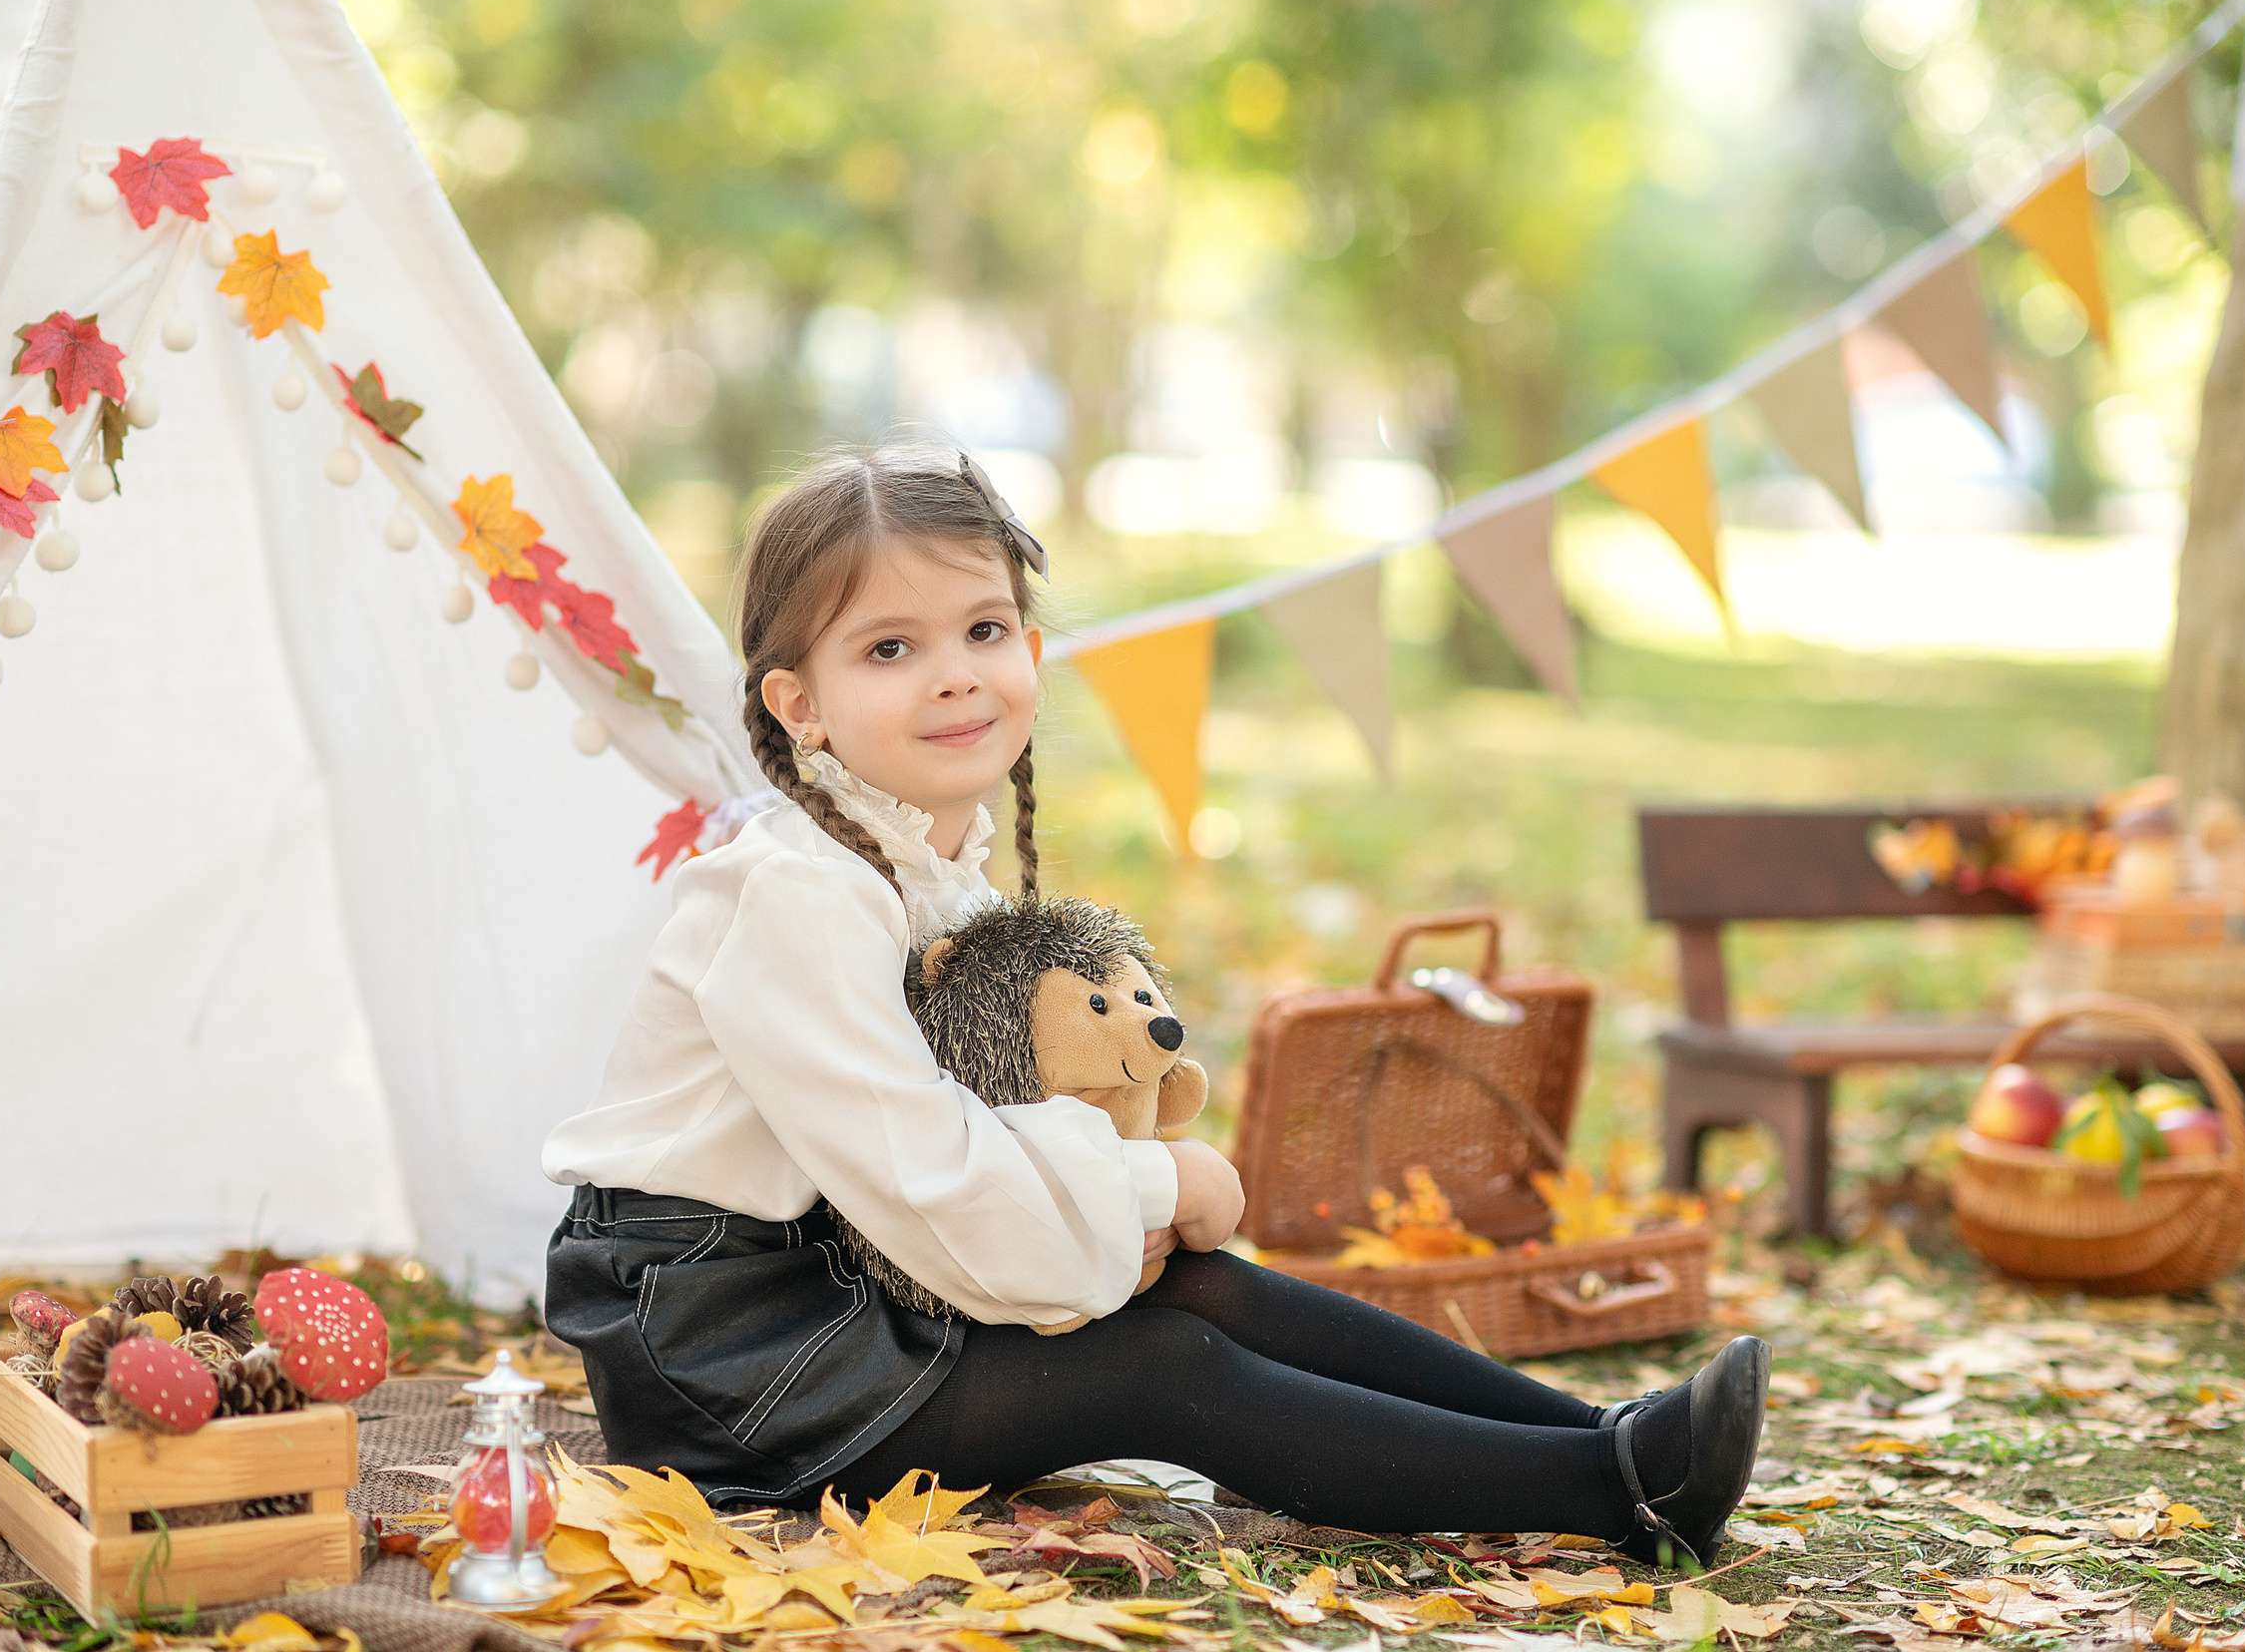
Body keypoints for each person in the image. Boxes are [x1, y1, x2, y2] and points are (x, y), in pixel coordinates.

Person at [540, 446, 1768, 1565]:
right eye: (889, 650)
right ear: (796, 704)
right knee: (1159, 1364)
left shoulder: (915, 866)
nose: (957, 678)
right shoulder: (793, 897)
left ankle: (1612, 1436)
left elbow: (965, 1153)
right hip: (720, 1342)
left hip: (832, 1276)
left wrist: (1143, 1211)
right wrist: (1153, 1185)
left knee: (1206, 1290)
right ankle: (1610, 1490)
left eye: (983, 627)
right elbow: (929, 1179)